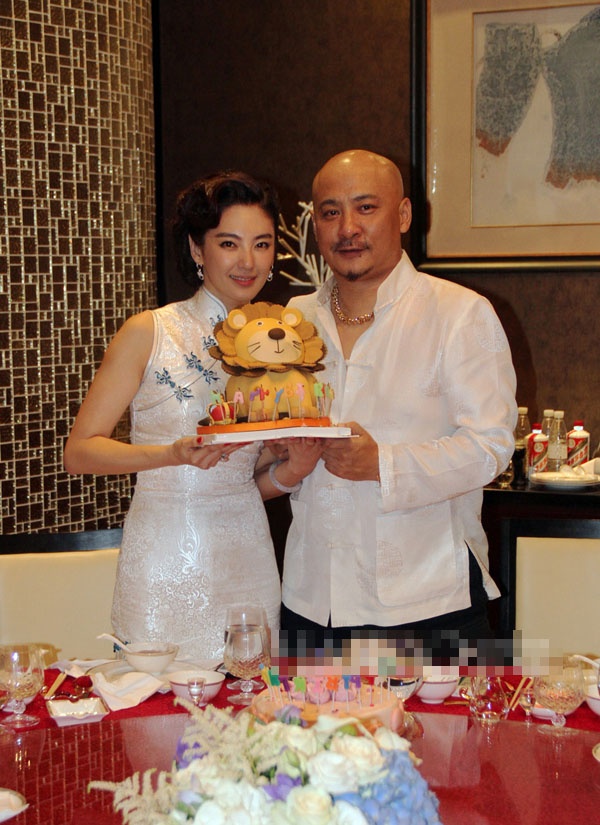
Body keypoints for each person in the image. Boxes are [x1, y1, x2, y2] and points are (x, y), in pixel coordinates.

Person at [64, 171, 321, 662]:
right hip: (164, 559)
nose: (248, 261)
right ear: (197, 249)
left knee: (246, 699)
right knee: (159, 701)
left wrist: (292, 469)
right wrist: (171, 455)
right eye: (229, 243)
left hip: (248, 557)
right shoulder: (150, 331)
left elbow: (238, 479)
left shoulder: (277, 347)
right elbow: (79, 451)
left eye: (262, 244)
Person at [281, 149, 518, 644]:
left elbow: (491, 447)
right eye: (330, 212)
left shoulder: (459, 313)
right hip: (312, 599)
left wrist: (382, 464)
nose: (347, 228)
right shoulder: (291, 320)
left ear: (404, 214)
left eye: (366, 207)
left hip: (427, 600)